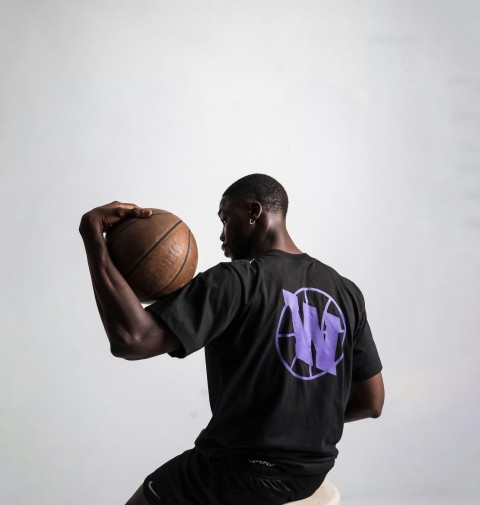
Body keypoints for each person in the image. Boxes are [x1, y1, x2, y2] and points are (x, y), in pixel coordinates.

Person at [79, 174, 384, 505]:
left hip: (239, 472)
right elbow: (372, 402)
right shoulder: (345, 291)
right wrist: (302, 416)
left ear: (253, 211)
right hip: (311, 473)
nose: (222, 235)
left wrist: (93, 235)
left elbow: (132, 338)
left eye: (226, 218)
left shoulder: (237, 281)